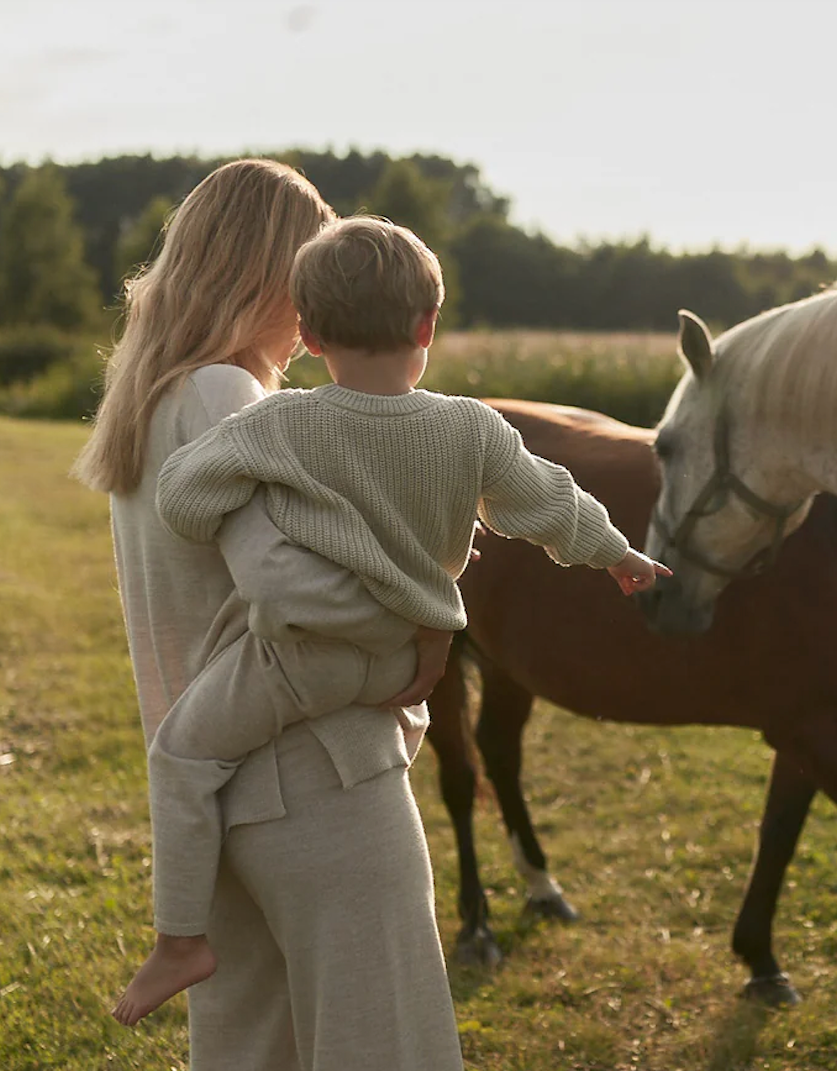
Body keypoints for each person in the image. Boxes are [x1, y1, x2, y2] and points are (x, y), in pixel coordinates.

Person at [72, 158, 520, 1071]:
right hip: (319, 791)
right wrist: (416, 627)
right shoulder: (237, 402)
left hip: (225, 812)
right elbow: (292, 592)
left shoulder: (154, 401)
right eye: (308, 264)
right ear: (272, 271)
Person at [113, 216, 668, 1027]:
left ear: (305, 331)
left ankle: (182, 940)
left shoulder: (282, 424)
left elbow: (183, 498)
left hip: (306, 661)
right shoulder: (471, 426)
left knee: (185, 753)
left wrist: (271, 508)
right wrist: (619, 554)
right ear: (427, 327)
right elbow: (548, 500)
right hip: (410, 665)